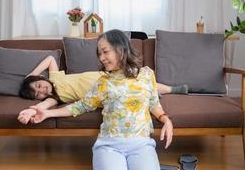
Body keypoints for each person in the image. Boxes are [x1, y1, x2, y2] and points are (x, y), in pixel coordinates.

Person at [18, 29, 173, 170]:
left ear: (121, 48)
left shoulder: (147, 74)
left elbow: (153, 103)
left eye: (105, 52)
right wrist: (47, 113)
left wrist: (166, 120)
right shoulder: (102, 82)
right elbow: (81, 106)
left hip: (141, 144)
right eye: (99, 54)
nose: (101, 58)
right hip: (109, 146)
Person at [17, 53, 187, 125]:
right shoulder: (54, 98)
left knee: (138, 81)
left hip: (103, 77)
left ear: (41, 78)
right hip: (101, 93)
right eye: (37, 94)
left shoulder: (54, 78)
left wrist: (32, 73)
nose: (42, 91)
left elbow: (49, 59)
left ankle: (172, 89)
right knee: (128, 98)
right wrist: (30, 112)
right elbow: (42, 107)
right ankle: (151, 97)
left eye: (39, 85)